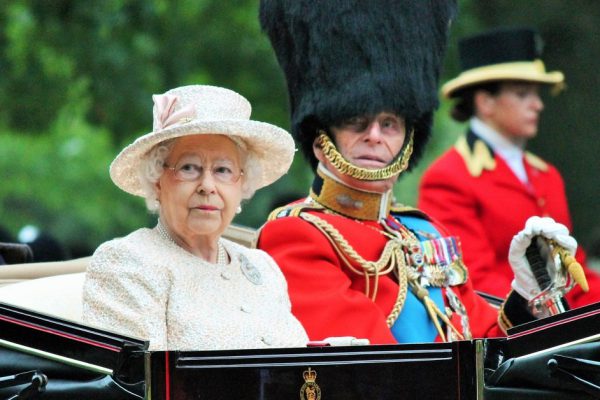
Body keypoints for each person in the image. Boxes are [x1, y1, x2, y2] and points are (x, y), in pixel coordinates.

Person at [256, 0, 583, 344]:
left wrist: (527, 296)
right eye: (355, 121)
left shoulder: (425, 231)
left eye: (390, 124)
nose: (375, 136)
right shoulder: (295, 233)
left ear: (409, 138)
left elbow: (483, 338)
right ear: (321, 139)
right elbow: (378, 368)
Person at [82, 85, 308, 350]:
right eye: (189, 168)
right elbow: (138, 385)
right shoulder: (127, 262)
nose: (208, 185)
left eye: (223, 170)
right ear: (157, 181)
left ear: (242, 185)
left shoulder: (263, 267)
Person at [417, 27, 600, 308]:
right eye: (522, 94)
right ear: (485, 102)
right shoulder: (449, 177)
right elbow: (472, 281)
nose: (538, 105)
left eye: (537, 94)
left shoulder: (547, 174)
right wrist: (554, 312)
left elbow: (572, 271)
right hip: (509, 335)